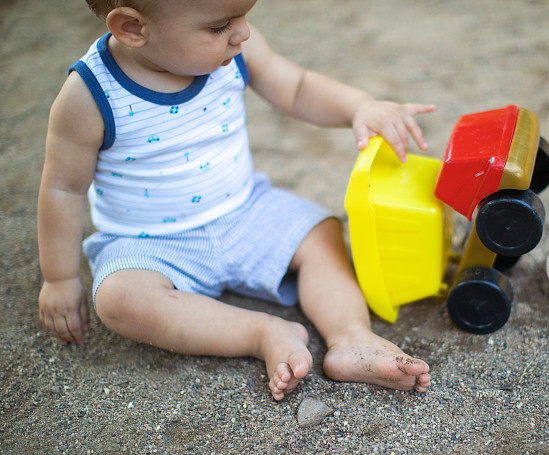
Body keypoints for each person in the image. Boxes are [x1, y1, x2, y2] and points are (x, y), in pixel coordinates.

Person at [37, 0, 435, 400]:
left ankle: (351, 337)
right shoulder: (88, 96)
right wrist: (60, 278)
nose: (242, 32)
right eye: (220, 25)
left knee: (320, 234)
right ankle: (261, 332)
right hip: (150, 242)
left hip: (245, 210)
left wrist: (359, 107)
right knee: (119, 299)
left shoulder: (237, 48)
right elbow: (63, 189)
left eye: (244, 16)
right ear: (132, 28)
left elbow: (296, 89)